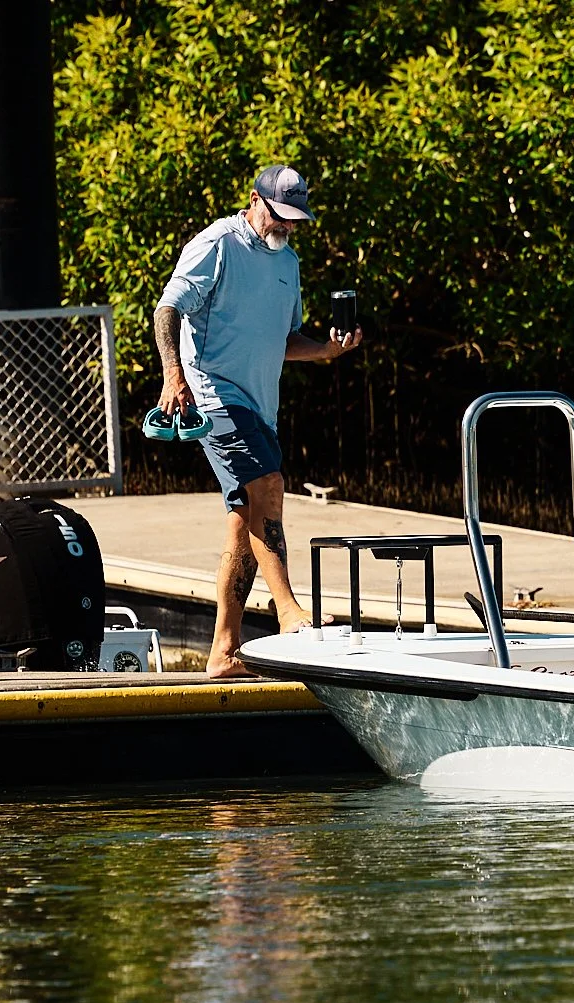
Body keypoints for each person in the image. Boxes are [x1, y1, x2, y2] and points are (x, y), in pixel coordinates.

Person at [154, 163, 362, 678]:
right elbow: (167, 311)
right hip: (213, 396)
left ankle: (224, 651)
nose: (286, 226)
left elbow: (284, 340)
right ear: (254, 200)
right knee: (268, 485)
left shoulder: (287, 263)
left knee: (242, 520)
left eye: (294, 219)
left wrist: (327, 351)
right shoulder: (217, 244)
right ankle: (289, 612)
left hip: (260, 407)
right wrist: (174, 377)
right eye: (279, 215)